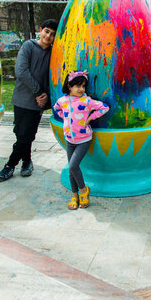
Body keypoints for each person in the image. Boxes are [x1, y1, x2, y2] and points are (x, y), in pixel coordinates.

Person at [0, 19, 58, 181]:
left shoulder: (53, 53)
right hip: (22, 99)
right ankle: (27, 161)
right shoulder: (29, 46)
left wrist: (47, 98)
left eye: (52, 34)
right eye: (46, 31)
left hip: (38, 104)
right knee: (20, 134)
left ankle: (9, 166)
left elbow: (54, 77)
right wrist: (38, 92)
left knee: (26, 135)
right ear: (40, 30)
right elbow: (21, 71)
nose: (48, 36)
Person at [53, 70, 109, 210]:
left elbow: (104, 108)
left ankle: (83, 190)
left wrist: (90, 118)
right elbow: (56, 109)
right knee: (72, 169)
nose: (81, 89)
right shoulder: (63, 100)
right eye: (78, 86)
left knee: (72, 166)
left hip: (84, 139)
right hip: (69, 139)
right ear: (69, 86)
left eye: (83, 86)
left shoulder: (86, 101)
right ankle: (75, 195)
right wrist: (65, 118)